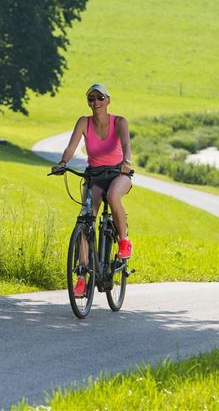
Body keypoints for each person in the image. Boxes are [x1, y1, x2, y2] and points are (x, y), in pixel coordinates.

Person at [52, 83, 133, 294]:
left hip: (118, 173)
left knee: (114, 196)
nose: (95, 102)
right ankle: (81, 275)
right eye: (91, 99)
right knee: (86, 218)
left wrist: (127, 161)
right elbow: (71, 147)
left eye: (99, 98)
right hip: (95, 175)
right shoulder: (83, 123)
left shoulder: (120, 122)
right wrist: (63, 163)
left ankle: (123, 241)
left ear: (108, 100)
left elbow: (126, 145)